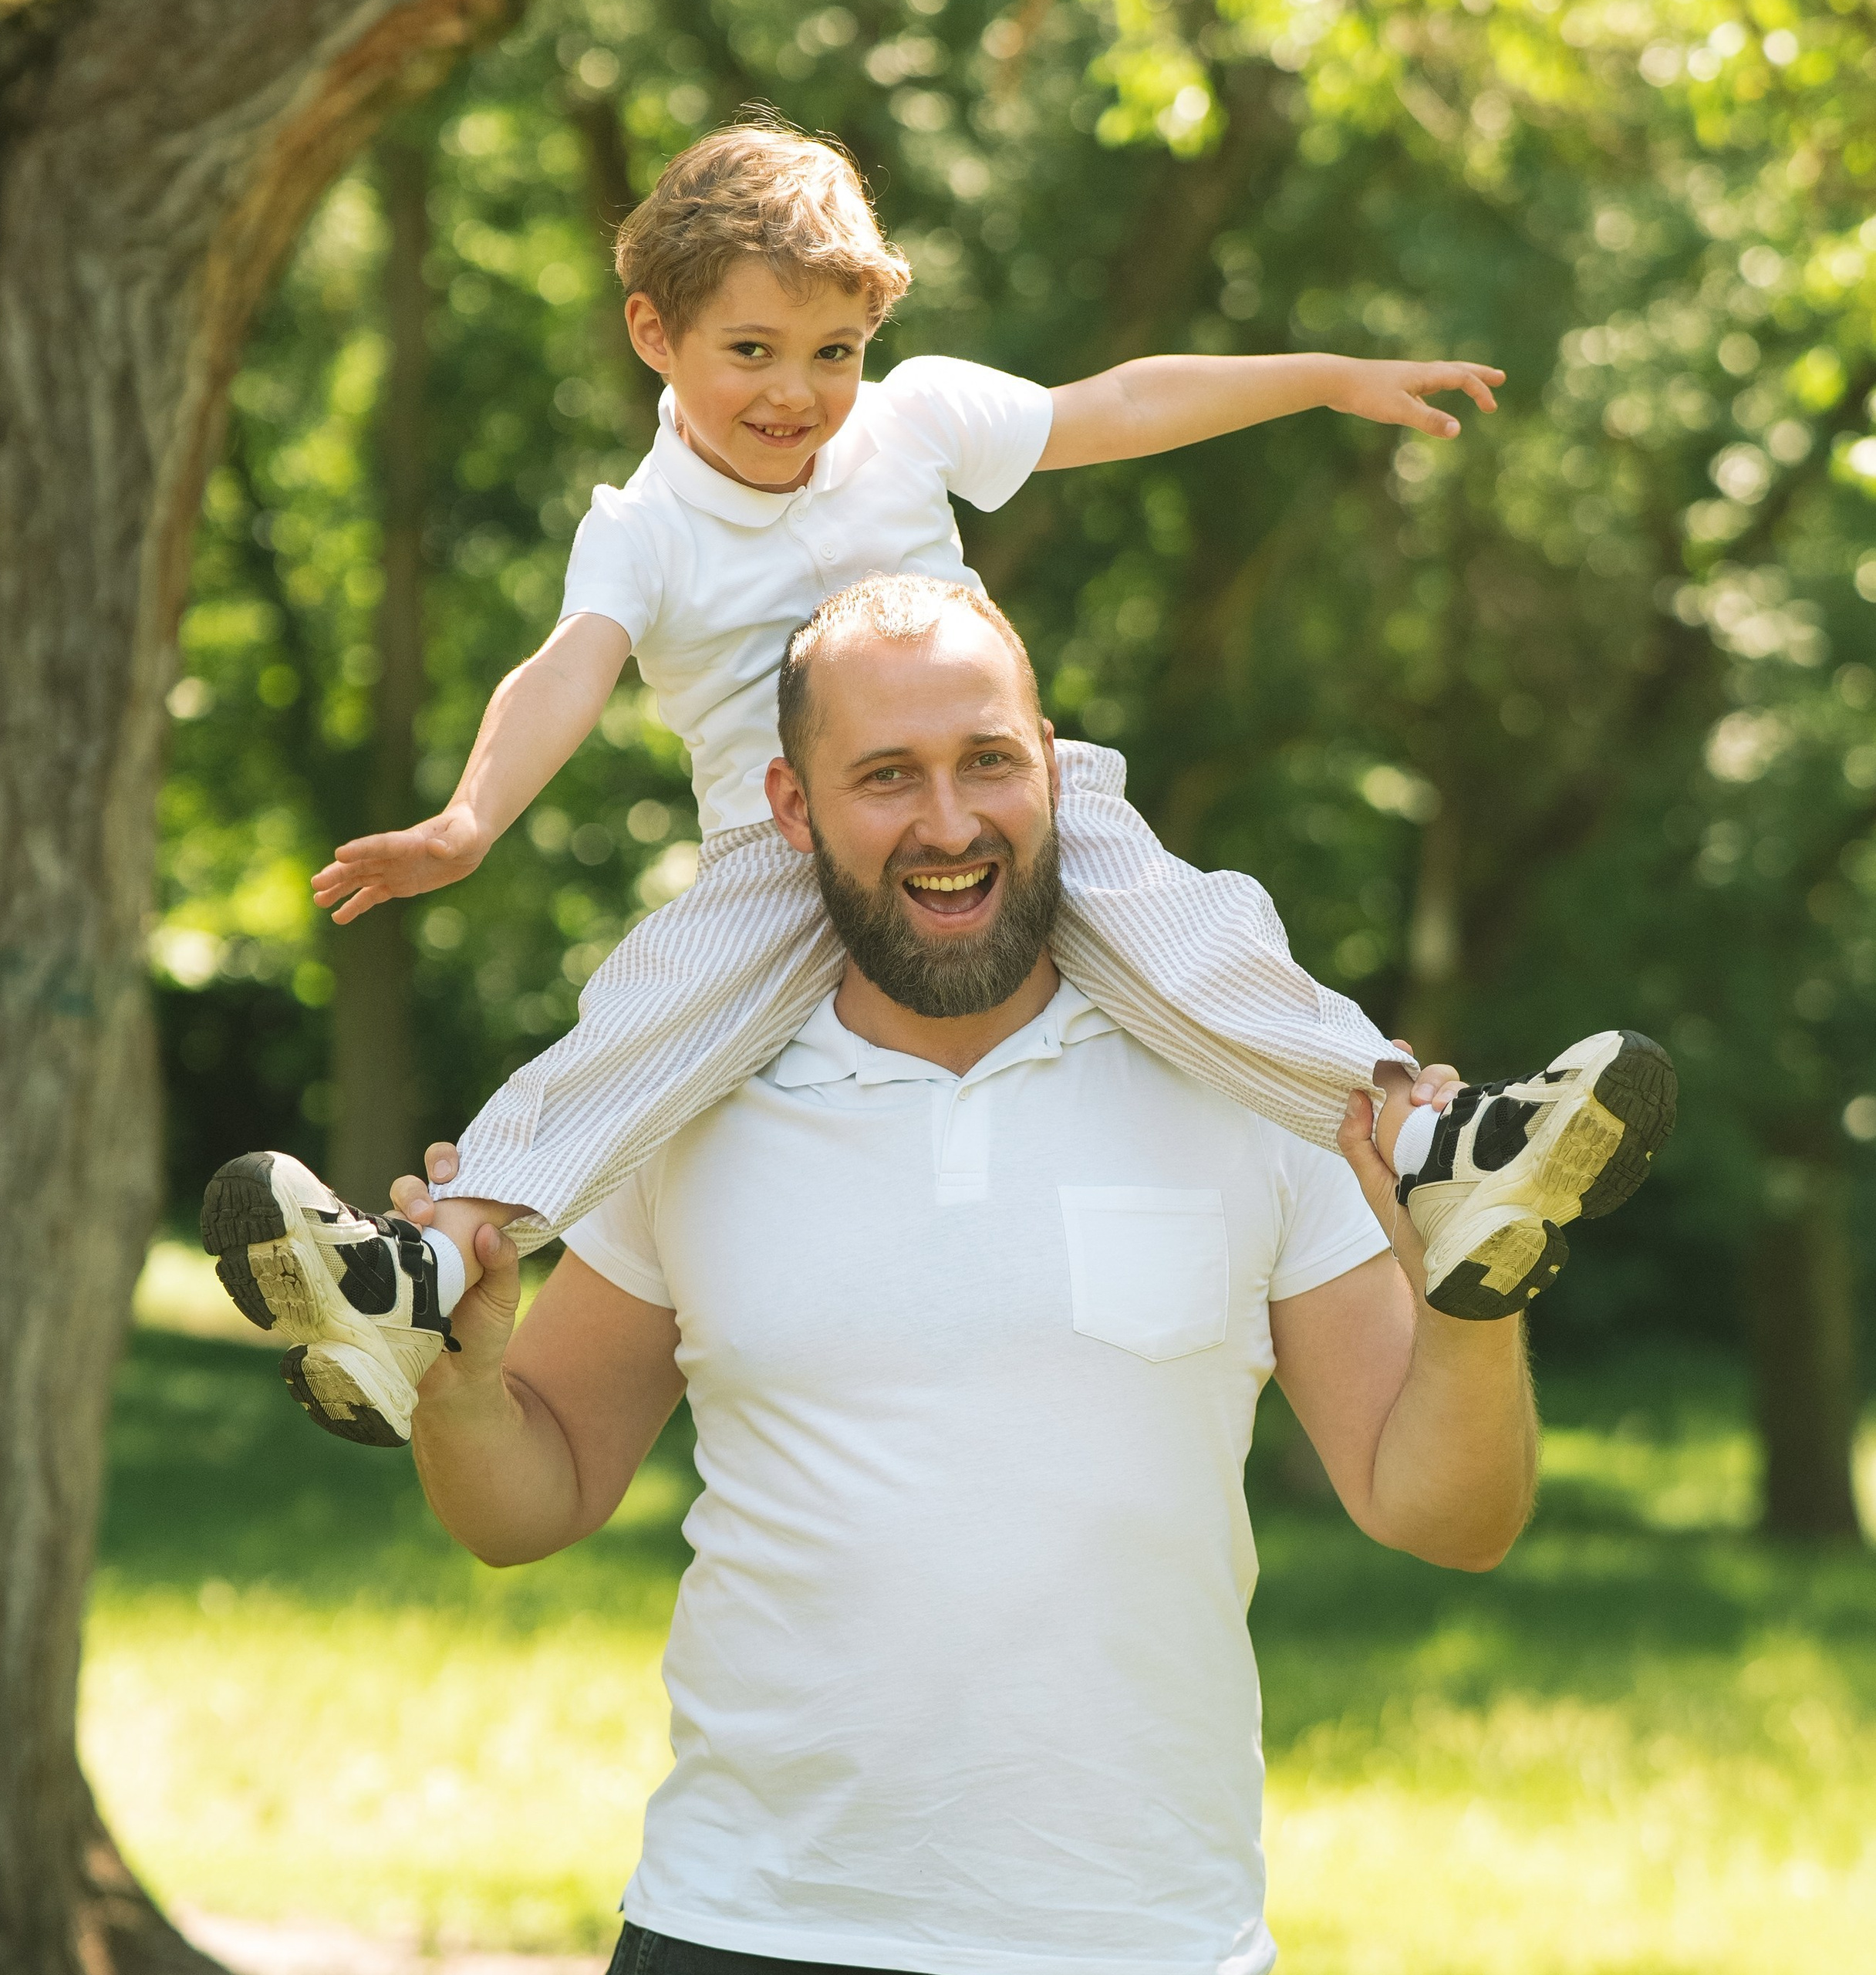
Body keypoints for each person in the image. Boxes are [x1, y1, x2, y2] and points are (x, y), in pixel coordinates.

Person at [197, 121, 1640, 1448]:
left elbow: (1117, 405)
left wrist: (1321, 380)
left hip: (1009, 797)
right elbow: (568, 667)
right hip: (789, 851)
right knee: (645, 1021)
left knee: (1197, 939)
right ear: (655, 331)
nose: (798, 394)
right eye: (752, 350)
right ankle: (431, 1267)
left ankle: (1432, 1141)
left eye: (834, 350)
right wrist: (469, 820)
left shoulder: (916, 420)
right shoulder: (642, 534)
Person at [387, 577, 1650, 1975]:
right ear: (793, 810)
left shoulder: (1258, 1086)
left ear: (1055, 765)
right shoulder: (688, 1101)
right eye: (885, 778)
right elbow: (532, 1501)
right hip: (743, 1927)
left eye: (987, 759)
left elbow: (1447, 1517)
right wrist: (462, 1384)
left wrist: (1475, 1305)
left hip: (1145, 1939)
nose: (948, 822)